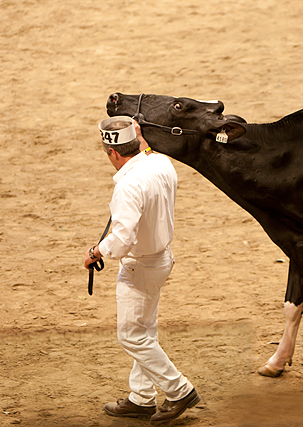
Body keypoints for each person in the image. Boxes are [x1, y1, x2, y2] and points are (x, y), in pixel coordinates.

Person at [84, 116, 199, 422]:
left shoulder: (128, 186)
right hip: (161, 259)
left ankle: (179, 390)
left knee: (131, 335)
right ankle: (142, 397)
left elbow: (122, 240)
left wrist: (96, 251)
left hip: (140, 267)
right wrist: (136, 132)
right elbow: (146, 150)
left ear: (113, 153)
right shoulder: (159, 161)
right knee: (144, 329)